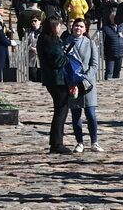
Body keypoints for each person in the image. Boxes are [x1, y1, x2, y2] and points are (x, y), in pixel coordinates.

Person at [36, 17, 73, 154]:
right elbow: (57, 60)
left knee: (60, 110)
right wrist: (68, 57)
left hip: (52, 79)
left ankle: (56, 142)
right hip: (57, 80)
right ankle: (57, 143)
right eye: (58, 26)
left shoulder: (44, 38)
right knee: (61, 110)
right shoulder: (50, 40)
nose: (59, 28)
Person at [65, 18, 101, 153]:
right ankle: (79, 142)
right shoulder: (66, 43)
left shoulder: (90, 43)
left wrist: (85, 77)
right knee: (76, 114)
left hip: (87, 84)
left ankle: (94, 142)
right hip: (73, 84)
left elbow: (95, 64)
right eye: (76, 26)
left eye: (81, 26)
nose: (78, 28)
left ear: (85, 29)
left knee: (91, 114)